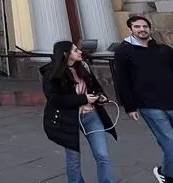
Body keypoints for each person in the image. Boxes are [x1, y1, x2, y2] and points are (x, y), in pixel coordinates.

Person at [114, 15, 173, 183]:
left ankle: (164, 172)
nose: (142, 29)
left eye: (145, 26)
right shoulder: (124, 52)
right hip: (149, 105)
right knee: (172, 148)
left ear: (150, 29)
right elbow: (122, 81)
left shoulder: (165, 51)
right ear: (131, 29)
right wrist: (130, 107)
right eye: (137, 27)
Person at [40, 40, 117, 183]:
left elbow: (96, 87)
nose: (80, 52)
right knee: (73, 157)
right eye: (75, 50)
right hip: (68, 118)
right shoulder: (51, 73)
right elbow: (54, 99)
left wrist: (101, 96)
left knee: (102, 155)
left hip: (91, 115)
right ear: (65, 54)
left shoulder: (84, 67)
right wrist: (83, 98)